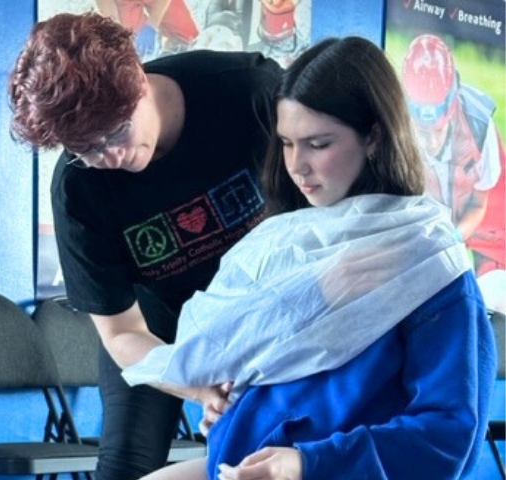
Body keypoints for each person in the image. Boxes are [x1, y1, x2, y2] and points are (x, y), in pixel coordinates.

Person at [126, 36, 496, 480]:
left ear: (374, 136)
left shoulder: (428, 264)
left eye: (318, 144)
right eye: (286, 143)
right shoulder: (286, 244)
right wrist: (235, 405)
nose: (296, 165)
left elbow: (447, 437)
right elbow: (288, 380)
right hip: (245, 462)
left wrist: (305, 463)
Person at [8, 12, 282, 480]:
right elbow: (120, 334)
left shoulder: (251, 93)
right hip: (157, 322)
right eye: (87, 149)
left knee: (272, 450)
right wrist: (197, 387)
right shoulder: (79, 189)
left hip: (266, 302)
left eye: (116, 133)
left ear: (138, 78)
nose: (110, 158)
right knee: (125, 465)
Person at [402, 33, 505, 277]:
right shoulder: (389, 124)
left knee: (495, 287)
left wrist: (454, 238)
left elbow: (480, 204)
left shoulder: (479, 127)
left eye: (438, 131)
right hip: (425, 223)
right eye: (423, 133)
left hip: (487, 217)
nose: (432, 143)